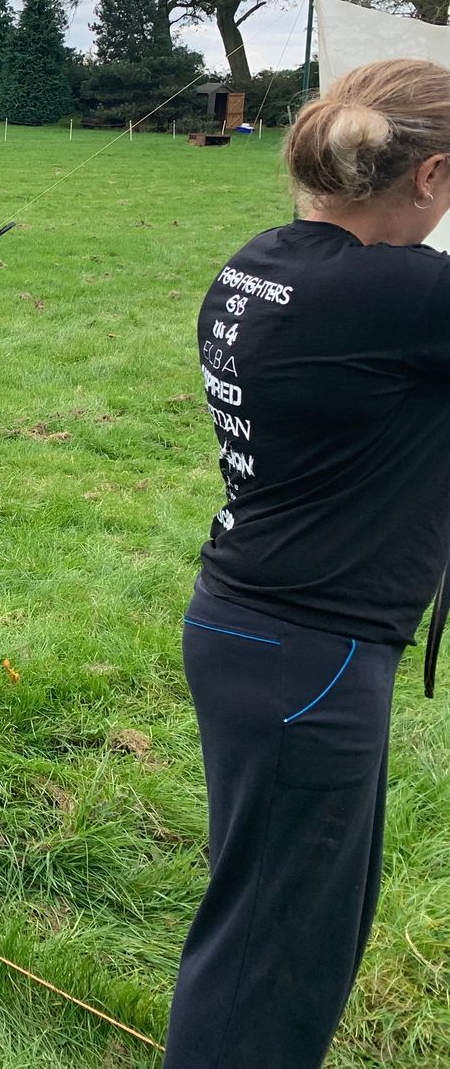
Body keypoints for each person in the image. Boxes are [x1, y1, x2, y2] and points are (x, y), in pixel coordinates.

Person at [165, 59, 450, 1068]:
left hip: (254, 626)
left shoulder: (264, 260)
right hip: (312, 657)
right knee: (273, 960)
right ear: (427, 178)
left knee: (268, 925)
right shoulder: (403, 296)